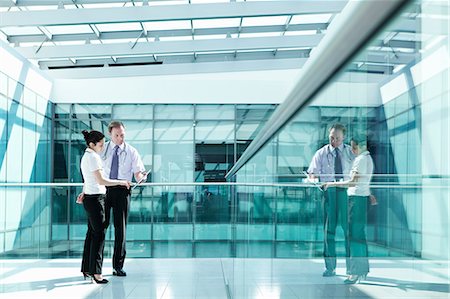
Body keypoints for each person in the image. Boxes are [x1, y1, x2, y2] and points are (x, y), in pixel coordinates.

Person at [79, 130, 130, 284]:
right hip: (96, 199)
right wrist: (121, 182)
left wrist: (83, 192)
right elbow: (101, 181)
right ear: (92, 144)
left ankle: (87, 269)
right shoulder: (93, 157)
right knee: (99, 235)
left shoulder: (86, 156)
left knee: (92, 234)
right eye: (100, 145)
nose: (102, 147)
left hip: (90, 197)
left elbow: (89, 180)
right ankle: (96, 272)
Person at [323, 134, 374, 284]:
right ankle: (362, 271)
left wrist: (331, 184)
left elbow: (352, 182)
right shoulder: (367, 158)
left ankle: (355, 273)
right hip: (361, 199)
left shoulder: (361, 159)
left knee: (354, 237)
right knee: (359, 236)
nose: (352, 150)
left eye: (353, 147)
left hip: (356, 201)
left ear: (360, 146)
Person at [307, 123, 355, 277]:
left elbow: (359, 172)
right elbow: (312, 172)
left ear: (344, 137)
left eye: (337, 138)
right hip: (329, 194)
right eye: (331, 137)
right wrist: (312, 177)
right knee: (329, 231)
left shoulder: (350, 152)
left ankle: (351, 268)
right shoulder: (321, 153)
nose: (334, 141)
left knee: (349, 231)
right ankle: (330, 267)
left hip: (346, 193)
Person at [101, 121, 147, 277]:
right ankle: (96, 267)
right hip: (104, 189)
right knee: (101, 227)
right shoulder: (103, 149)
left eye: (122, 135)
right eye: (117, 135)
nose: (120, 138)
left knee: (120, 229)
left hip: (122, 191)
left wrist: (141, 177)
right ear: (110, 134)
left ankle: (117, 267)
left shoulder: (132, 151)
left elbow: (138, 172)